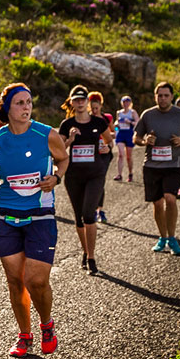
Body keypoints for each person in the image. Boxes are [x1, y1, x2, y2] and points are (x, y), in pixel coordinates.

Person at [0, 83, 68, 357]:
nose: (26, 107)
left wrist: (57, 177)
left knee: (36, 280)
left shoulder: (47, 134)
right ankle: (24, 336)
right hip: (6, 215)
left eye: (28, 102)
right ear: (6, 107)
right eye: (19, 103)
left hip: (40, 215)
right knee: (16, 281)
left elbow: (63, 159)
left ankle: (47, 325)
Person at [133, 82, 180, 255]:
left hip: (173, 164)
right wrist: (145, 141)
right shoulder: (148, 115)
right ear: (155, 96)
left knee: (170, 198)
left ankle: (172, 237)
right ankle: (162, 237)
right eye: (159, 95)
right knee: (157, 203)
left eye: (166, 95)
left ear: (171, 97)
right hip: (151, 165)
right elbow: (136, 138)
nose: (162, 98)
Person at [56, 86, 112, 276]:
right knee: (79, 218)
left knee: (89, 215)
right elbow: (58, 151)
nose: (80, 103)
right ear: (71, 102)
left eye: (83, 99)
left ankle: (91, 257)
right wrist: (70, 140)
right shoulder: (66, 124)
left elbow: (109, 140)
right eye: (76, 100)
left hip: (95, 174)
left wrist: (106, 148)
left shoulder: (98, 121)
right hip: (73, 176)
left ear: (87, 102)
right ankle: (85, 251)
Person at [88, 91, 114, 223]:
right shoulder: (86, 119)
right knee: (91, 180)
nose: (94, 110)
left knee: (100, 179)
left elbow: (112, 134)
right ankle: (91, 209)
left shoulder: (107, 118)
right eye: (92, 107)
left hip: (104, 154)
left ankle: (100, 210)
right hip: (91, 153)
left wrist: (108, 144)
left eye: (96, 107)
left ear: (100, 105)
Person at [114, 95, 139, 182]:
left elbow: (138, 123)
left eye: (127, 102)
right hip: (121, 133)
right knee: (120, 154)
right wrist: (116, 126)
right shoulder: (119, 113)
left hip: (129, 134)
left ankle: (130, 173)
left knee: (128, 156)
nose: (126, 104)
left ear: (130, 103)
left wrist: (130, 122)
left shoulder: (132, 112)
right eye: (124, 102)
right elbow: (116, 124)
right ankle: (119, 174)